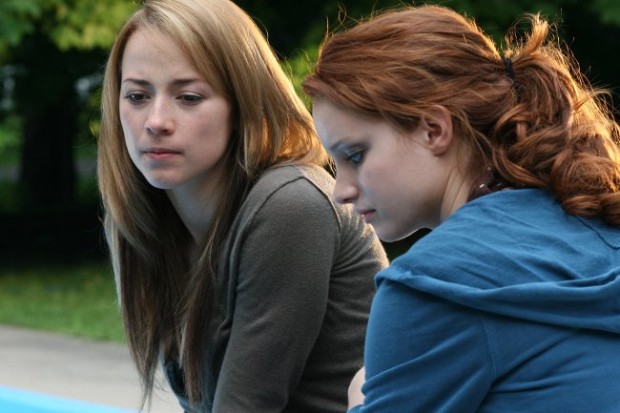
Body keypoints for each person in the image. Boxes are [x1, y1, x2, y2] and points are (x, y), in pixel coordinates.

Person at [303, 4, 620, 413]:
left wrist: (360, 397)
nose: (340, 191)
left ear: (434, 130)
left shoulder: (431, 285)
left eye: (356, 155)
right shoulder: (595, 219)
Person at [97, 0, 388, 412]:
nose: (156, 120)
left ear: (243, 104)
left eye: (189, 97)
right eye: (138, 95)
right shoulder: (149, 220)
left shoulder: (290, 205)